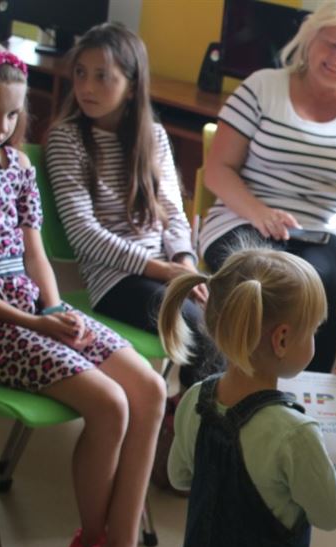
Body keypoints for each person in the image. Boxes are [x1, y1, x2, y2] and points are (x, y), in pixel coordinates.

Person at [0, 39, 164, 547]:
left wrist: (57, 309)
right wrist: (34, 322)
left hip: (34, 306)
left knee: (149, 389)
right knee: (110, 404)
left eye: (12, 114)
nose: (0, 126)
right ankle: (93, 546)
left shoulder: (16, 166)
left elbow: (34, 251)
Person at [159, 247, 336, 547]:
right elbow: (332, 512)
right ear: (282, 339)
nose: (315, 338)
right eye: (314, 331)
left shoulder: (194, 400)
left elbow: (179, 476)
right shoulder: (295, 433)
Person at [200, 0, 336, 373]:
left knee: (309, 282)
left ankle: (303, 394)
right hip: (246, 216)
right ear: (311, 37)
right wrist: (260, 213)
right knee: (252, 276)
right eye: (332, 44)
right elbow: (218, 171)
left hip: (331, 233)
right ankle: (217, 384)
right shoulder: (263, 87)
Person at [45, 23, 220, 399]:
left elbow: (173, 213)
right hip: (114, 280)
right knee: (202, 330)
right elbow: (84, 235)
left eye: (102, 76)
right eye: (81, 73)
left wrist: (185, 265)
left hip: (165, 270)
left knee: (226, 315)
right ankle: (197, 421)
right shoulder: (66, 139)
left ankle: (192, 413)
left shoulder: (153, 136)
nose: (86, 87)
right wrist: (166, 272)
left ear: (131, 85)